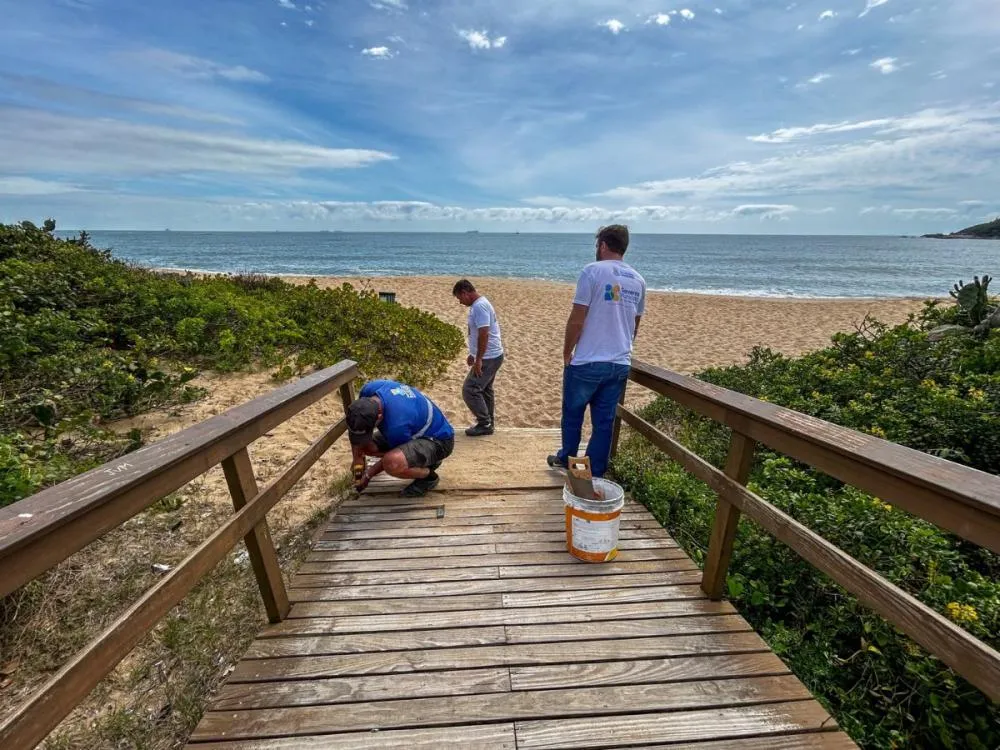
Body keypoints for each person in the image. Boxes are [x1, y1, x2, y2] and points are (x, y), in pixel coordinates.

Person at [548, 225, 646, 478]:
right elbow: (634, 325)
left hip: (589, 360)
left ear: (603, 245)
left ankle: (567, 458)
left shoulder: (592, 271)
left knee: (573, 414)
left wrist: (567, 352)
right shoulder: (638, 280)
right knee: (604, 422)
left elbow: (577, 318)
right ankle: (594, 471)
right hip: (619, 362)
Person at [347, 379, 455, 497]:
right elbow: (356, 425)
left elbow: (390, 459)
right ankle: (425, 461)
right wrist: (357, 459)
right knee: (367, 446)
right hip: (415, 428)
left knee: (392, 463)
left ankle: (429, 477)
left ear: (379, 416)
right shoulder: (368, 391)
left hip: (440, 440)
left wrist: (369, 475)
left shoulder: (397, 425)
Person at [453, 279, 504, 436]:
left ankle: (484, 423)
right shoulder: (478, 305)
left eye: (459, 298)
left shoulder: (479, 306)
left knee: (470, 389)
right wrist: (473, 354)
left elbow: (484, 334)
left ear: (465, 293)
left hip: (489, 357)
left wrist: (479, 359)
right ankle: (488, 422)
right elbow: (475, 332)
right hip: (492, 355)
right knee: (485, 389)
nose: (460, 302)